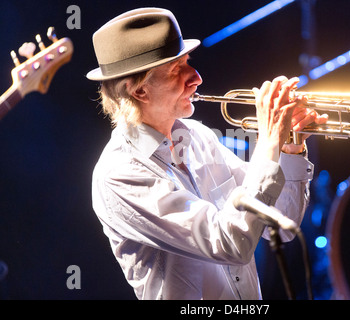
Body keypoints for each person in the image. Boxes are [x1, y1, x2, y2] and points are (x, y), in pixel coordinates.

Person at [88, 7, 327, 300]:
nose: (197, 77)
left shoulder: (198, 136)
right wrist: (268, 143)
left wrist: (289, 148)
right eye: (177, 69)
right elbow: (229, 244)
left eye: (188, 62)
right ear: (139, 91)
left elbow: (280, 223)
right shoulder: (119, 173)